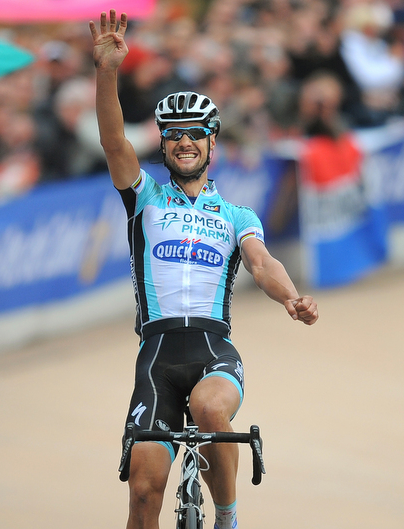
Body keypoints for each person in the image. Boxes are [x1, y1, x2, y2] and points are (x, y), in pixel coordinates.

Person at [90, 11, 319, 529]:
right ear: (164, 145)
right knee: (143, 497)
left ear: (213, 143)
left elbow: (262, 263)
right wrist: (107, 72)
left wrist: (290, 297)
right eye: (173, 135)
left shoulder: (237, 216)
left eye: (195, 134)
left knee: (209, 409)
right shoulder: (144, 197)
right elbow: (112, 143)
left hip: (215, 353)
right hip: (157, 359)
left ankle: (227, 518)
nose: (184, 142)